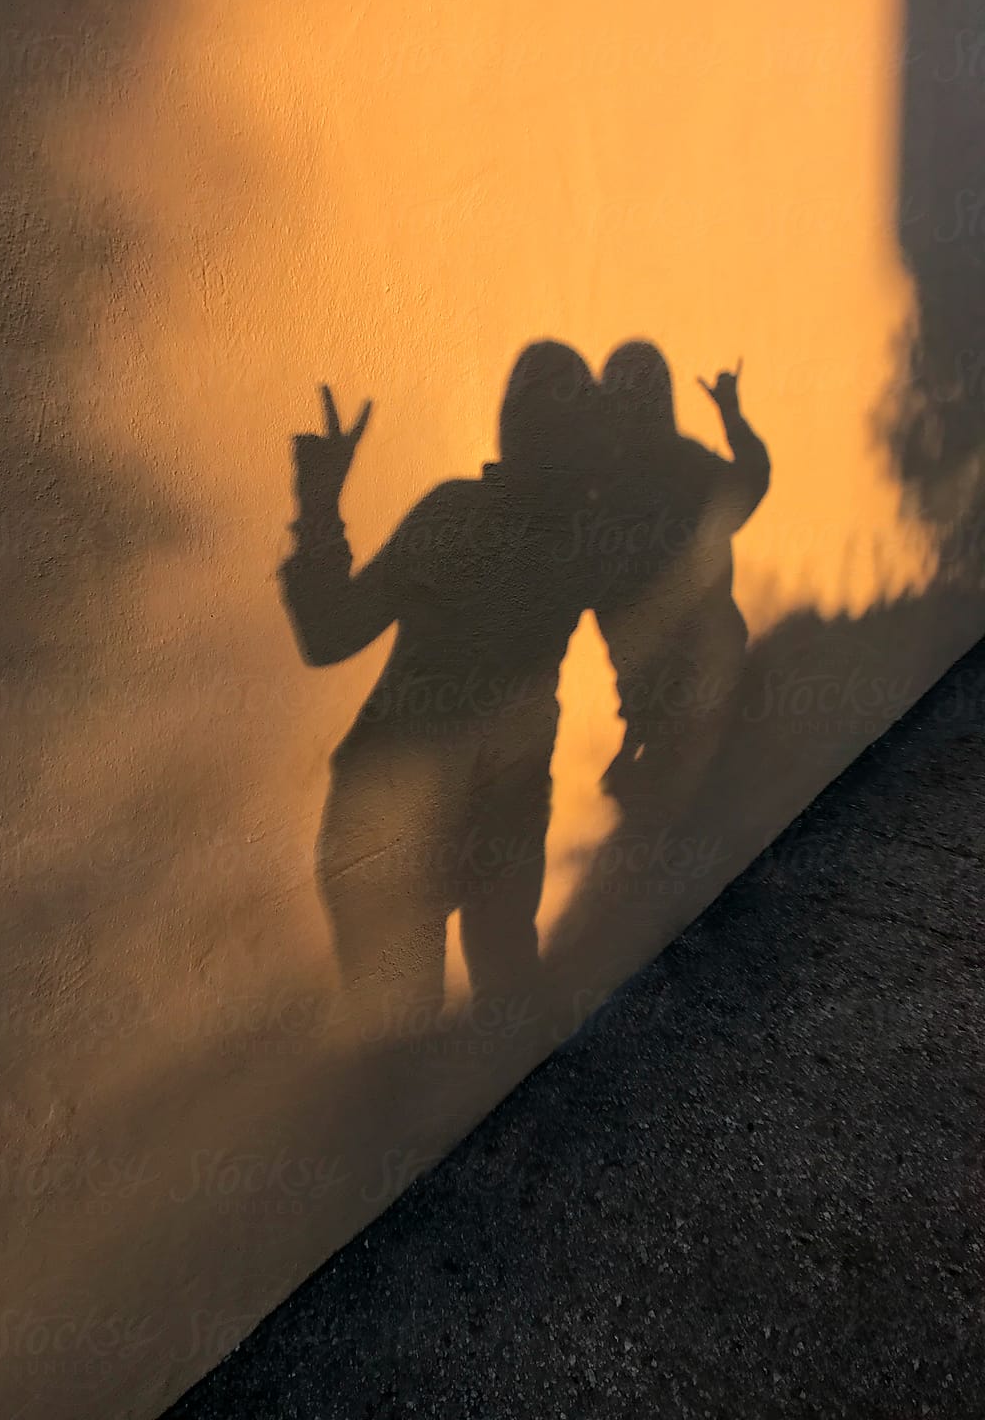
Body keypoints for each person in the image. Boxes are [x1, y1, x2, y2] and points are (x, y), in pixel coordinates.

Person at [280, 343, 600, 1025]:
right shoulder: (573, 540)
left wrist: (319, 504)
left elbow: (328, 634)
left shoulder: (485, 519)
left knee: (425, 1040)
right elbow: (328, 636)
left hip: (406, 816)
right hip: (410, 822)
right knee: (450, 1028)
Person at [590, 341, 770, 821]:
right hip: (712, 667)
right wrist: (731, 414)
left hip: (656, 693)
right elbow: (753, 480)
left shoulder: (600, 490)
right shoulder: (688, 466)